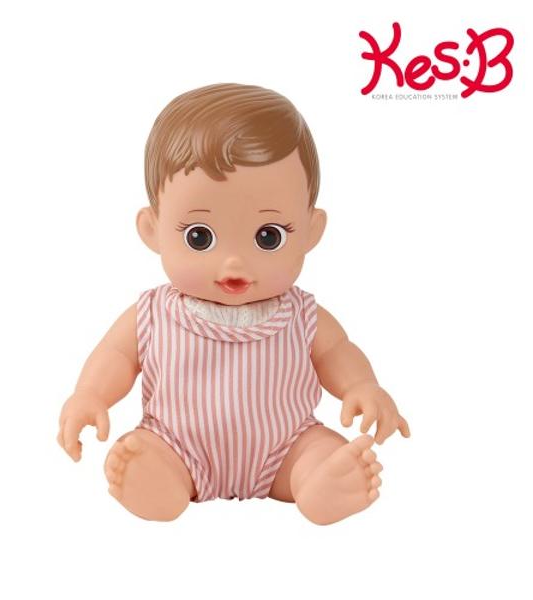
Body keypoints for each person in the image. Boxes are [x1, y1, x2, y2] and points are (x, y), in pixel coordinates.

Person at [56, 82, 410, 525]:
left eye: (268, 236)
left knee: (319, 449)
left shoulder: (302, 315)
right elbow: (116, 355)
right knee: (149, 449)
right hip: (178, 444)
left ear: (311, 230)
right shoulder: (153, 314)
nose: (234, 261)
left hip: (287, 446)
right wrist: (90, 394)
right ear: (151, 229)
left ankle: (321, 483)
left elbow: (338, 352)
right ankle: (158, 480)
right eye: (199, 237)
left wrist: (362, 387)